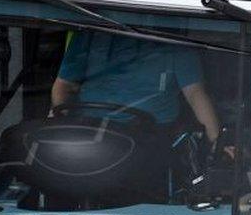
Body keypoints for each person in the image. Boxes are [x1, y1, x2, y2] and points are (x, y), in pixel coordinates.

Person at [50, 30, 225, 147]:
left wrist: (217, 144)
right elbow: (62, 86)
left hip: (149, 137)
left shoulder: (172, 40)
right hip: (89, 128)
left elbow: (195, 94)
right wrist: (61, 124)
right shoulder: (91, 32)